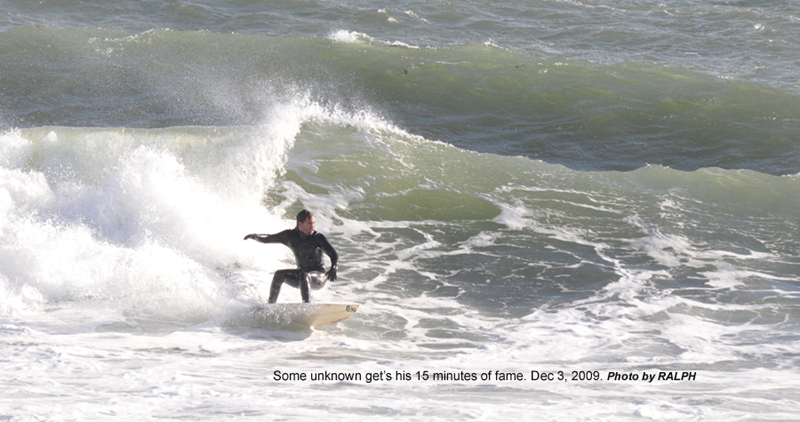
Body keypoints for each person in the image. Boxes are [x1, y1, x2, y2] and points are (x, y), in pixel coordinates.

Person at [244, 210, 339, 303]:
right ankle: (271, 304)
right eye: (309, 223)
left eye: (313, 223)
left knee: (304, 275)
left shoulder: (318, 237)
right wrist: (255, 236)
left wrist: (334, 267)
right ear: (300, 224)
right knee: (279, 274)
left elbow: (333, 254)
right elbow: (268, 238)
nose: (312, 226)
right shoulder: (289, 236)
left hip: (318, 277)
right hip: (302, 277)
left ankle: (306, 305)